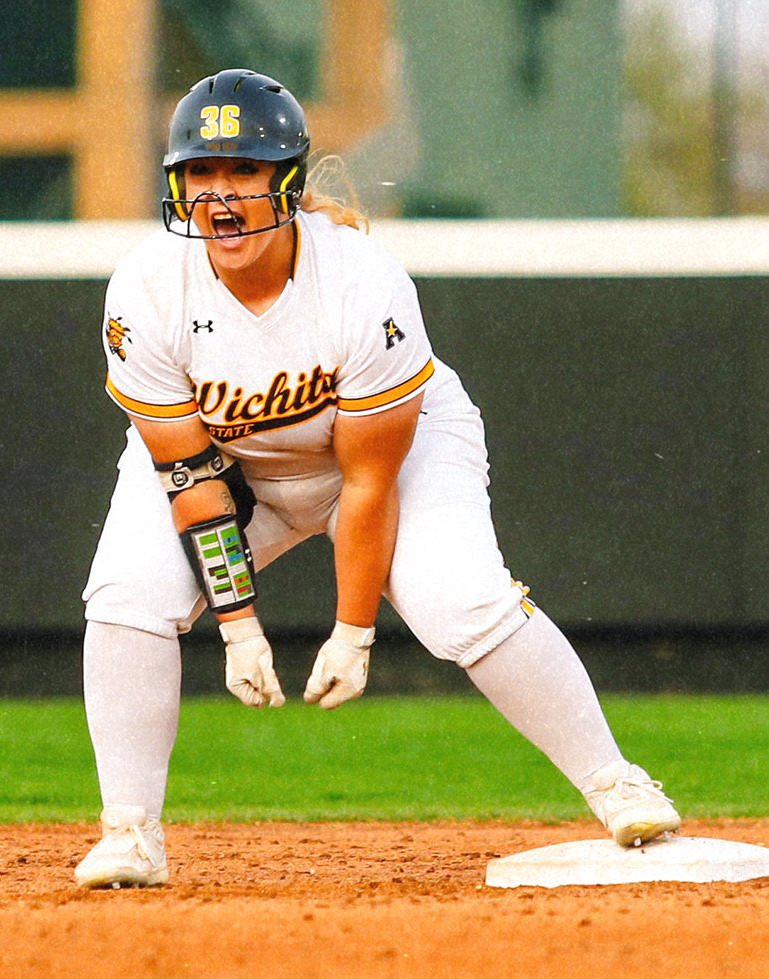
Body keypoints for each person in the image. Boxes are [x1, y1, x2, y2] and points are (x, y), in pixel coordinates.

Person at [74, 68, 680, 889]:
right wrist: (240, 626)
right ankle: (129, 830)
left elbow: (368, 482)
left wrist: (353, 631)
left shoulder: (362, 281)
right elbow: (189, 476)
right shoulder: (146, 290)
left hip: (388, 454)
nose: (221, 196)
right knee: (127, 592)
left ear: (288, 181)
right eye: (200, 172)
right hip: (233, 469)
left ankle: (616, 782)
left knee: (461, 598)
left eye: (245, 169)